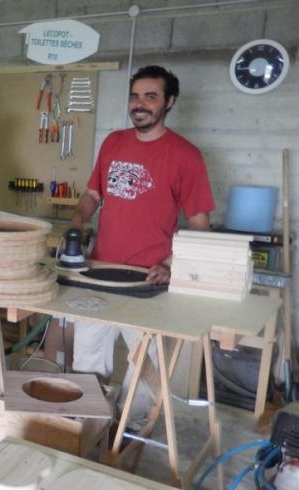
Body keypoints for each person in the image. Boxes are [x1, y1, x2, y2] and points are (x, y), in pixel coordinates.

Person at [70, 65, 215, 424]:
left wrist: (170, 262)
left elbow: (200, 225)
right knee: (86, 362)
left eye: (151, 96)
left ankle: (129, 435)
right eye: (135, 96)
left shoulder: (185, 155)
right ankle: (89, 429)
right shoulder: (113, 143)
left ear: (170, 102)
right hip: (99, 272)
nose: (140, 104)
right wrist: (77, 221)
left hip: (146, 281)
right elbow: (92, 194)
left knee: (145, 371)